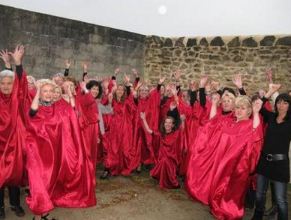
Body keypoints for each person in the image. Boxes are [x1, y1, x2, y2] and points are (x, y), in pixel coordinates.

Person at [252, 84, 291, 220]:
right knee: (259, 194)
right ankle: (257, 217)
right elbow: (259, 106)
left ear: (289, 106)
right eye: (279, 102)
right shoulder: (271, 117)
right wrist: (270, 92)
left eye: (285, 103)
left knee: (281, 200)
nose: (281, 105)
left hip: (281, 164)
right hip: (264, 161)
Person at [0, 46, 26, 219]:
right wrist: (7, 67)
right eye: (2, 83)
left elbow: (20, 85)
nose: (6, 86)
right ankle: (0, 207)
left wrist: (17, 64)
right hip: (0, 145)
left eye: (9, 83)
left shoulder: (17, 97)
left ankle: (15, 204)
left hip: (14, 144)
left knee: (15, 176)